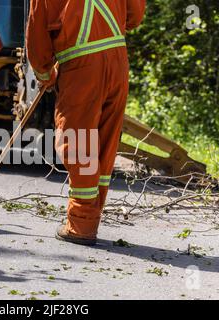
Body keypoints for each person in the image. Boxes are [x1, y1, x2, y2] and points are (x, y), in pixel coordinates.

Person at [26, 0, 146, 245]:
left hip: (82, 68)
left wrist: (45, 74)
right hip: (118, 62)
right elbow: (134, 17)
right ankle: (90, 218)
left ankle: (81, 224)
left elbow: (37, 35)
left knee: (78, 143)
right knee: (104, 144)